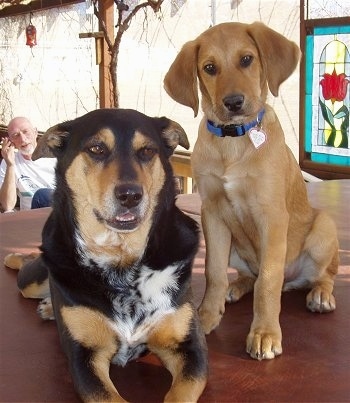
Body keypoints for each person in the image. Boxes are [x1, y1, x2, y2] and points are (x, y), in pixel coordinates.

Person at [0, 117, 56, 212]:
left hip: (60, 215)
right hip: (30, 220)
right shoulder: (9, 161)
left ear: (35, 132)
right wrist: (10, 165)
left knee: (43, 195)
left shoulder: (56, 157)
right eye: (16, 135)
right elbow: (7, 206)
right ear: (11, 141)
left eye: (25, 131)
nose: (22, 139)